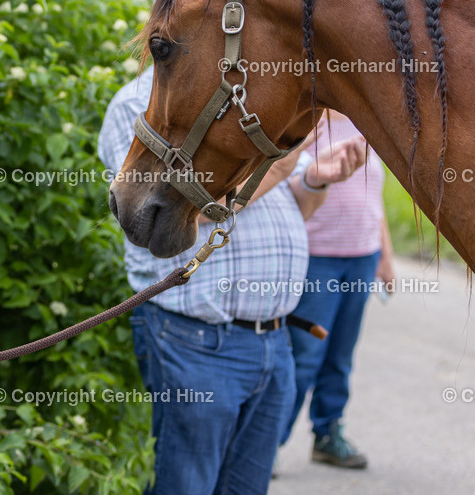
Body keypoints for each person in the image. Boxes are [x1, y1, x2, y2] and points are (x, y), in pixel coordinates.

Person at [98, 68, 367, 494]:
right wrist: (277, 169)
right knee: (186, 485)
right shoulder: (139, 104)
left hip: (273, 343)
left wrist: (315, 180)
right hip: (198, 340)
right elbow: (163, 214)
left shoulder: (236, 106)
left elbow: (298, 208)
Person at [280, 110, 395, 469]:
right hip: (317, 257)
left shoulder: (366, 123)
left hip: (362, 255)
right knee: (305, 357)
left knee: (340, 356)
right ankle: (268, 442)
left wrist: (385, 257)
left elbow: (373, 199)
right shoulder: (303, 122)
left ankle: (328, 434)